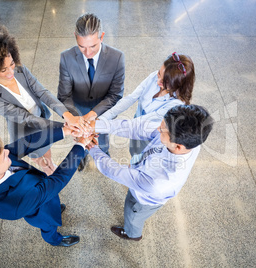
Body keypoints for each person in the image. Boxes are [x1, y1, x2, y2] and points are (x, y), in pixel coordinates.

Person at [0, 20, 87, 176]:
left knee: (47, 153)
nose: (11, 72)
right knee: (41, 159)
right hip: (27, 134)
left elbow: (43, 93)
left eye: (12, 64)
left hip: (44, 120)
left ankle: (50, 167)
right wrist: (63, 127)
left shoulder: (21, 71)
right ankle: (50, 173)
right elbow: (25, 117)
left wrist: (67, 115)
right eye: (3, 70)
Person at [0, 125, 94, 247]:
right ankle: (55, 240)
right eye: (4, 157)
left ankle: (55, 207)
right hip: (39, 211)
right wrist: (80, 145)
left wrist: (65, 130)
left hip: (40, 192)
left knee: (52, 203)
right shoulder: (16, 203)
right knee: (49, 226)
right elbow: (58, 179)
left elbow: (27, 143)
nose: (8, 151)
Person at [88, 104, 213, 241]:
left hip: (144, 199)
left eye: (162, 131)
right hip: (142, 173)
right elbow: (137, 128)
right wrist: (96, 126)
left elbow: (114, 171)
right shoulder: (190, 139)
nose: (157, 129)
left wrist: (92, 147)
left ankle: (132, 234)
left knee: (133, 215)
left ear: (178, 146)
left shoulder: (158, 182)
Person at [57, 13, 125, 171]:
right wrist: (75, 118)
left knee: (102, 140)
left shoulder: (117, 58)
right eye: (82, 46)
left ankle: (104, 153)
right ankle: (81, 154)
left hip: (103, 112)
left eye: (93, 46)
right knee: (80, 139)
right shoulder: (66, 58)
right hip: (78, 111)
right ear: (75, 37)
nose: (87, 53)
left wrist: (93, 114)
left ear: (102, 36)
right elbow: (64, 95)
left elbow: (115, 95)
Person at [99, 52, 195, 157]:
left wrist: (101, 126)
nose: (158, 81)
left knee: (141, 158)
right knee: (133, 152)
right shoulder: (155, 77)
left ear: (178, 84)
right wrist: (103, 118)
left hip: (150, 136)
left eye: (164, 82)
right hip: (135, 126)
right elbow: (131, 98)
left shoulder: (176, 105)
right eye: (159, 74)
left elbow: (139, 123)